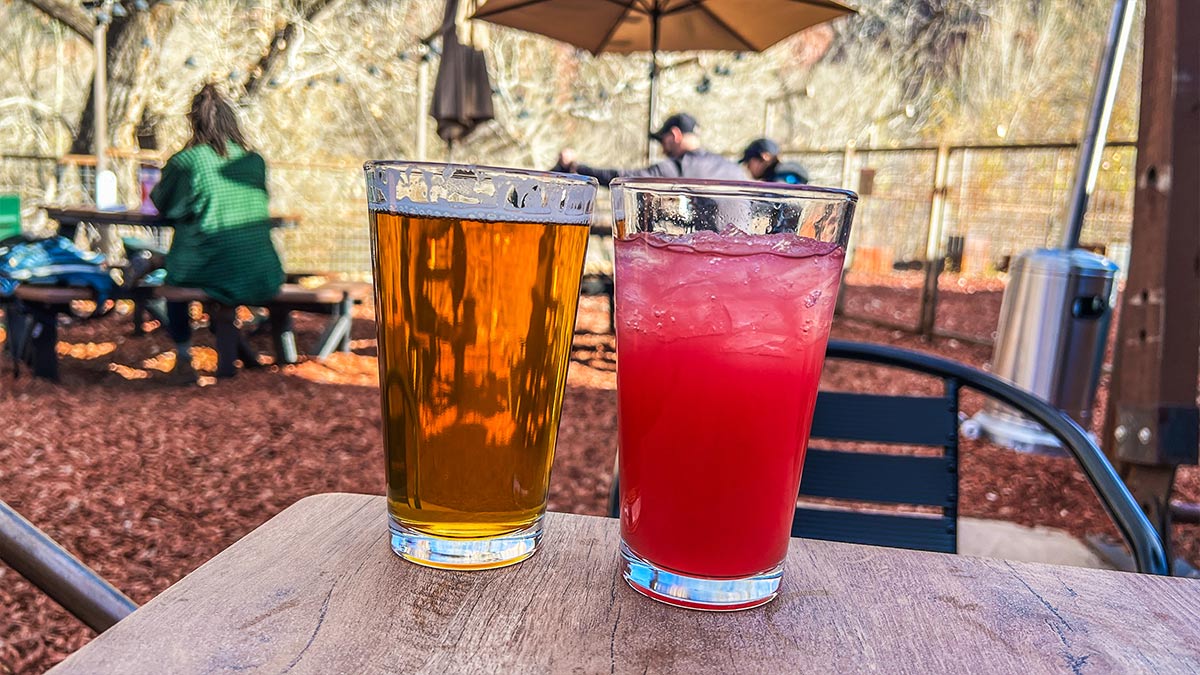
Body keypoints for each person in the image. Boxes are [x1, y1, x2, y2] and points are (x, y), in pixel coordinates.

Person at [148, 83, 284, 384]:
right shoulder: (254, 161)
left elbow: (163, 203)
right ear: (231, 121)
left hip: (208, 266)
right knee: (191, 267)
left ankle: (183, 355)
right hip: (264, 268)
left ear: (193, 121)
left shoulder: (187, 161)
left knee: (174, 279)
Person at [554, 113, 745, 185]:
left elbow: (622, 179)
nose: (662, 149)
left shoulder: (678, 168)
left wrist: (575, 167)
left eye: (663, 141)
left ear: (675, 135)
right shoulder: (733, 169)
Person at [739, 138, 810, 185]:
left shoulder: (785, 174)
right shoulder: (771, 178)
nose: (748, 167)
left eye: (748, 163)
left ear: (765, 156)